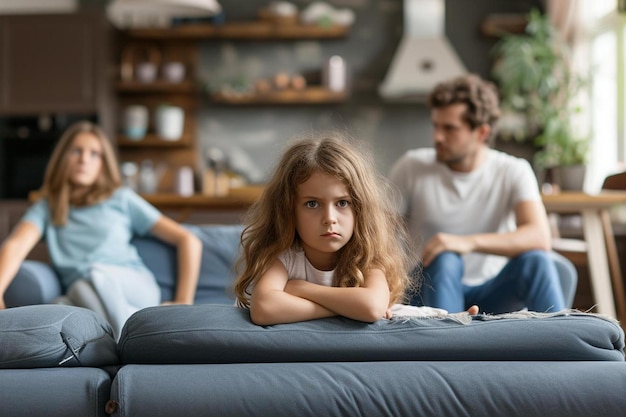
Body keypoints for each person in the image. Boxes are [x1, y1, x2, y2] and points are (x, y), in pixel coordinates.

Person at [0, 121, 202, 338]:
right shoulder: (47, 207)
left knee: (91, 277)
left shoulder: (120, 198)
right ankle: (134, 328)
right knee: (71, 294)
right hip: (86, 291)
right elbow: (16, 244)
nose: (84, 159)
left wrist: (183, 301)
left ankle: (123, 340)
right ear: (62, 159)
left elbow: (188, 240)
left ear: (103, 164)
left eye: (94, 154)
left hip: (133, 285)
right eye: (76, 151)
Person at [389, 74, 566, 314]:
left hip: (488, 294)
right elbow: (378, 231)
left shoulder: (513, 170)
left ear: (481, 132)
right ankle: (451, 348)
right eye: (436, 126)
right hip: (427, 293)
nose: (437, 137)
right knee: (445, 258)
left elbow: (539, 236)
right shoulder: (411, 166)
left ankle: (566, 347)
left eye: (449, 129)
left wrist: (467, 242)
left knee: (537, 260)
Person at [233, 132, 423, 326]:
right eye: (312, 204)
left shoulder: (366, 258)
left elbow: (371, 307)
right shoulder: (283, 258)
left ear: (360, 209)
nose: (329, 219)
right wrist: (347, 309)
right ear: (288, 210)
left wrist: (302, 289)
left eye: (342, 203)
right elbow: (265, 309)